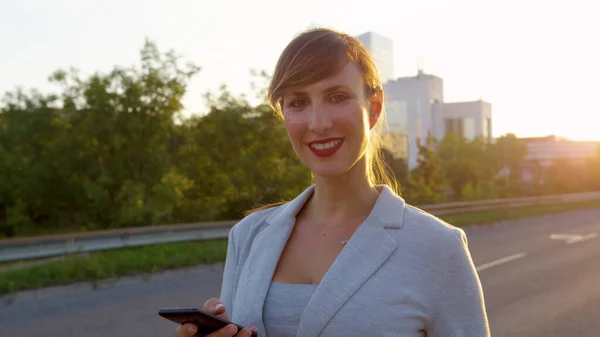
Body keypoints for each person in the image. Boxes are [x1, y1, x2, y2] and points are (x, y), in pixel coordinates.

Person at [176, 27, 490, 337]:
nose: (319, 123)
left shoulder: (438, 247)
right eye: (298, 103)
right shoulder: (248, 237)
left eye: (337, 97)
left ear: (375, 108)